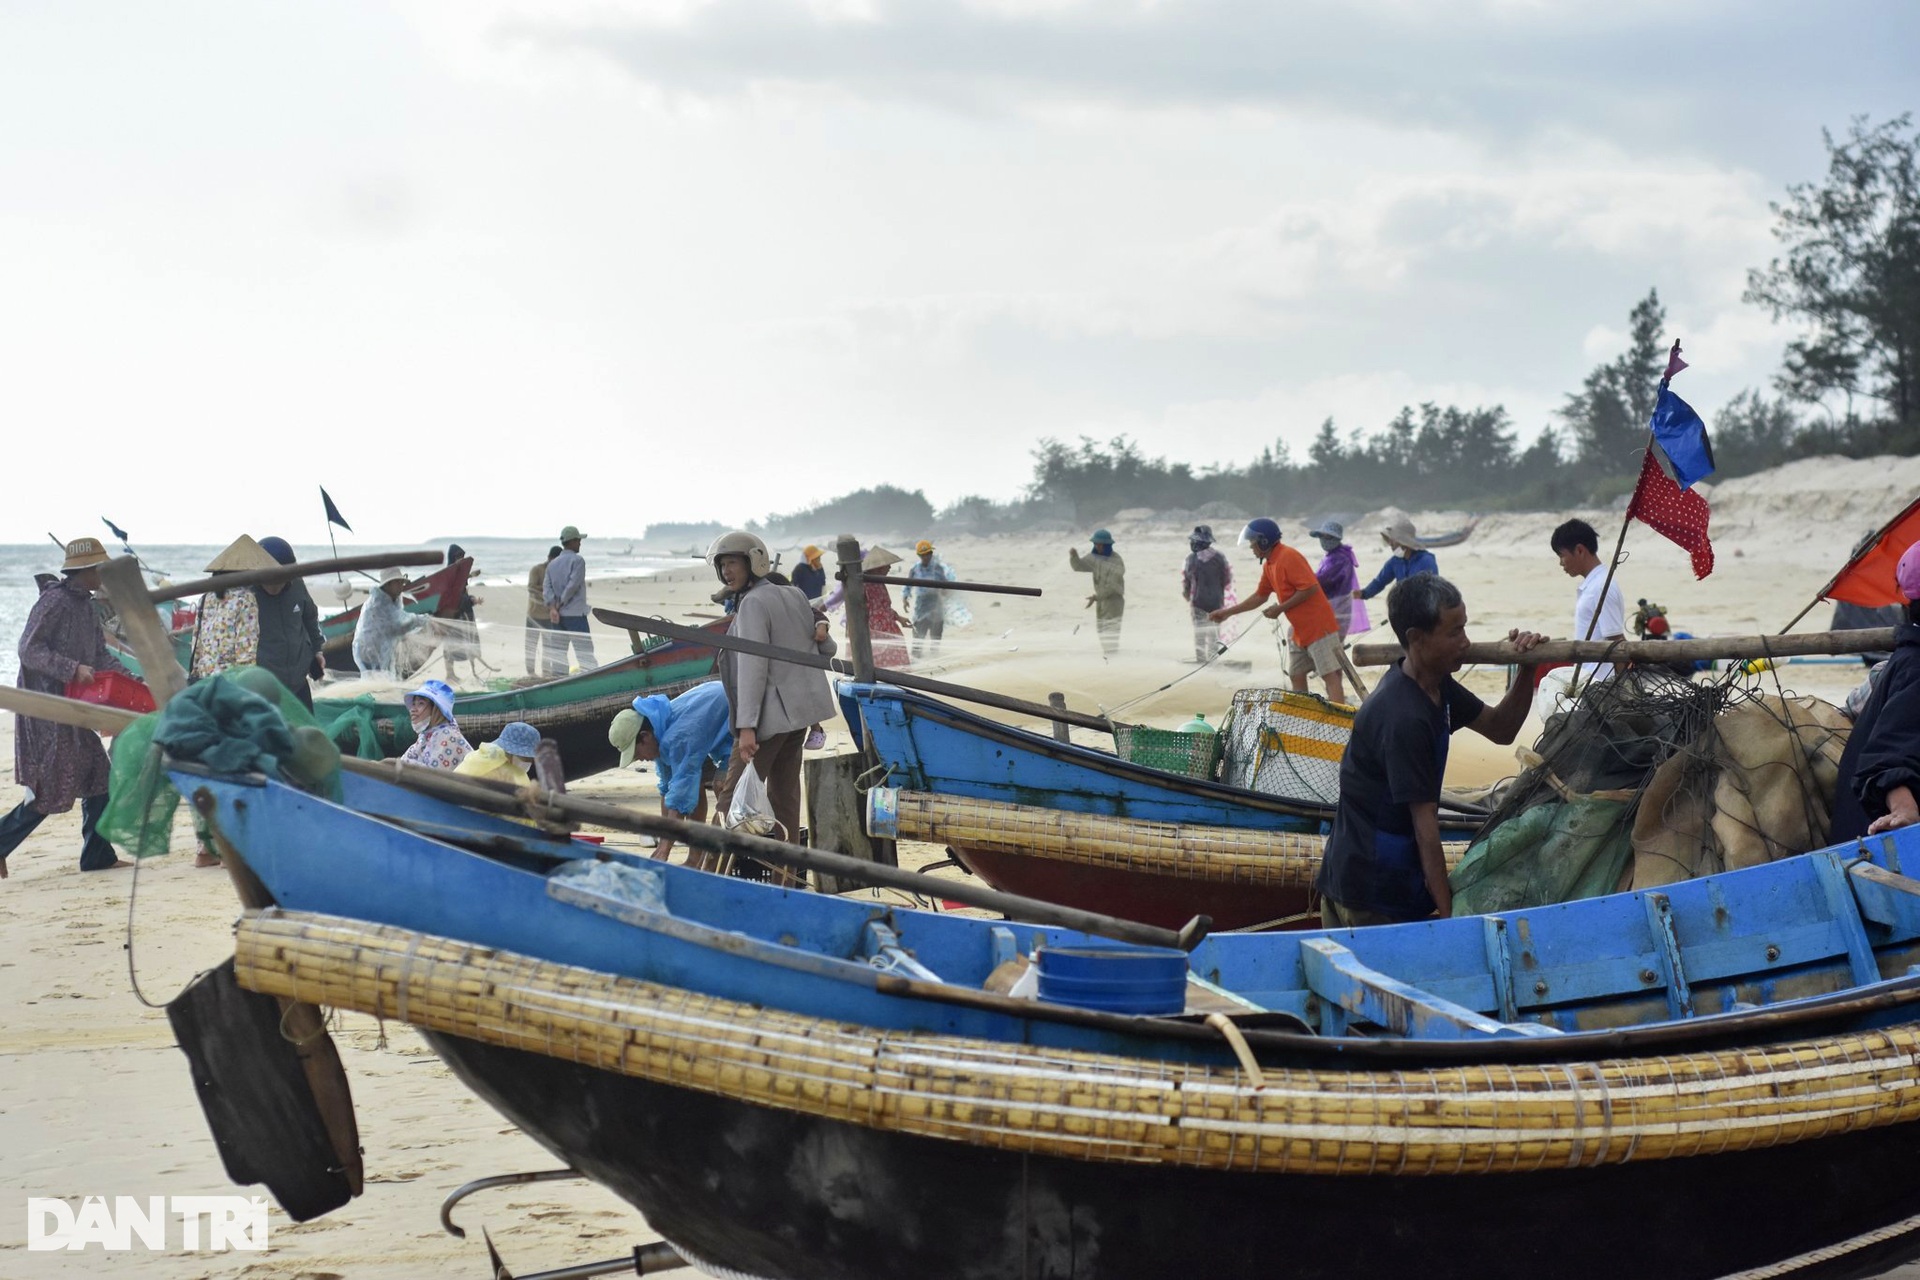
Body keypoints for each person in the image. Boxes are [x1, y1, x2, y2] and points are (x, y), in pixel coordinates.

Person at [1316, 575, 1545, 925]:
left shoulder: (1438, 686)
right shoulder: (1403, 717)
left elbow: (1502, 729)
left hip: (1391, 876)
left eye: (1465, 628)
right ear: (1416, 639)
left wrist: (1526, 670)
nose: (1466, 642)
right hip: (1368, 893)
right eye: (1454, 633)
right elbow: (1426, 831)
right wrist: (1452, 919)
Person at [0, 537, 131, 876]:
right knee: (50, 788)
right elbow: (28, 649)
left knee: (99, 776)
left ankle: (97, 856)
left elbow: (100, 655)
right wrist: (71, 668)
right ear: (83, 571)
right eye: (98, 568)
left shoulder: (87, 606)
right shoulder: (53, 602)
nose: (103, 573)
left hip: (75, 708)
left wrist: (131, 679)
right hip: (45, 709)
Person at [709, 531, 838, 874]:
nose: (726, 572)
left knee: (731, 799)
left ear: (754, 562)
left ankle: (705, 869)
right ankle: (788, 878)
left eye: (732, 563)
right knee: (785, 801)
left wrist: (746, 726)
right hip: (798, 717)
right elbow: (827, 648)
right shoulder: (794, 594)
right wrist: (821, 623)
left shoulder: (753, 603)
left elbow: (753, 666)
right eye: (722, 566)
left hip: (767, 720)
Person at [1832, 541, 1920, 841]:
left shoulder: (1896, 664)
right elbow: (1887, 755)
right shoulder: (1915, 668)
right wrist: (1903, 809)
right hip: (1880, 848)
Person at [1209, 518, 1346, 704]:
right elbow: (1260, 596)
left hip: (1319, 627)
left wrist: (1280, 608)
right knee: (1296, 674)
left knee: (1330, 676)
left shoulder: (1288, 557)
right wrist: (1228, 612)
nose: (1251, 547)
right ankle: (1304, 716)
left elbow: (1310, 588)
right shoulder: (1269, 564)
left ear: (1264, 541)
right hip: (1300, 631)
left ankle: (1338, 721)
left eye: (1253, 542)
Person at [609, 682, 733, 866]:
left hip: (736, 717)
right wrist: (662, 842)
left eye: (637, 753)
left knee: (722, 786)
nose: (639, 759)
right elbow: (668, 790)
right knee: (690, 788)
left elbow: (682, 792)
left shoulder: (678, 737)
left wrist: (665, 849)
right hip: (713, 724)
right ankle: (696, 858)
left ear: (645, 736)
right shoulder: (660, 731)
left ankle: (723, 858)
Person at [189, 536, 277, 681]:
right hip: (230, 680)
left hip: (205, 679)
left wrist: (196, 673)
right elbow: (246, 649)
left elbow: (196, 645)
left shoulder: (205, 598)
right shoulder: (245, 599)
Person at [1551, 518, 1626, 684]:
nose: (1561, 563)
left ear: (1579, 550)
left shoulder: (1601, 587)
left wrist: (1625, 689)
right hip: (1589, 681)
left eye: (1562, 555)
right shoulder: (1593, 585)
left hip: (1602, 685)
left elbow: (1617, 643)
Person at [255, 536, 326, 710]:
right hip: (264, 685)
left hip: (298, 681)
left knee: (307, 732)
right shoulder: (246, 596)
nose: (274, 587)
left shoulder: (297, 585)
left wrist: (317, 649)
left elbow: (310, 616)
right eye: (269, 581)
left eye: (280, 580)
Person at [821, 546, 911, 669]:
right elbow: (842, 594)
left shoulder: (879, 583)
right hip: (870, 629)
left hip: (886, 628)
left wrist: (899, 618)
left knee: (892, 662)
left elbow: (884, 607)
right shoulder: (861, 584)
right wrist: (826, 605)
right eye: (887, 565)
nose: (890, 568)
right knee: (870, 661)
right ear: (878, 568)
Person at [352, 567, 428, 678]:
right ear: (387, 584)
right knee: (375, 682)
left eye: (401, 582)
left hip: (380, 649)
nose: (401, 585)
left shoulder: (393, 599)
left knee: (382, 679)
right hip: (369, 651)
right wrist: (420, 620)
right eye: (397, 582)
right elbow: (397, 623)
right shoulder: (378, 603)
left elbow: (398, 623)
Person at [543, 525, 596, 673]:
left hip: (557, 617)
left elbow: (547, 589)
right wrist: (559, 604)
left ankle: (559, 682)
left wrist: (553, 608)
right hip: (575, 614)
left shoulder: (552, 564)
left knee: (559, 655)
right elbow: (573, 585)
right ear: (572, 541)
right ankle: (591, 681)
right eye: (578, 540)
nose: (580, 543)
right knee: (585, 654)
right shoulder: (578, 561)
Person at [1356, 516, 1439, 602]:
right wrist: (1363, 594)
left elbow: (1432, 590)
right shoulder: (1395, 561)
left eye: (1393, 540)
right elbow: (1380, 582)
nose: (1391, 544)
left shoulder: (1426, 560)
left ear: (1404, 542)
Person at [1069, 530, 1126, 657]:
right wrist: (1074, 556)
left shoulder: (1116, 561)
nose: (1098, 547)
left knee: (1111, 632)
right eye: (1096, 544)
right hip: (1101, 601)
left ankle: (1112, 658)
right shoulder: (1094, 558)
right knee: (1101, 631)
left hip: (1114, 602)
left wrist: (1096, 597)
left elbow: (1112, 586)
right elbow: (1079, 566)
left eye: (1101, 545)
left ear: (1107, 545)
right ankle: (1109, 657)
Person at [1309, 520, 1368, 641]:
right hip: (1332, 609)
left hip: (1337, 611)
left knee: (1332, 646)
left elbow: (1323, 580)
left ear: (1336, 539)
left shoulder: (1340, 558)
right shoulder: (1330, 556)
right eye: (1322, 536)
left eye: (1328, 537)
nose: (1324, 540)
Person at [1180, 525, 1232, 662]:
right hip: (1216, 601)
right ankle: (1213, 660)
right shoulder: (1220, 558)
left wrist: (1186, 594)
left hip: (1198, 602)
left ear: (1199, 543)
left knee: (1200, 634)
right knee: (1214, 634)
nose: (1191, 543)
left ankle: (1201, 661)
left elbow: (1186, 581)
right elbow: (1227, 579)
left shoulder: (1191, 559)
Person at [399, 679, 471, 769]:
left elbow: (433, 776)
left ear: (436, 709)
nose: (413, 709)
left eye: (421, 704)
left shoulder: (448, 736)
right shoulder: (424, 737)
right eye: (413, 704)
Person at [903, 540, 957, 660]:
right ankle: (916, 658)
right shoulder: (915, 569)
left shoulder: (937, 568)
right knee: (918, 634)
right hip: (921, 605)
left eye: (928, 554)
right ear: (919, 555)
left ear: (931, 554)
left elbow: (944, 584)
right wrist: (905, 598)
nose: (926, 557)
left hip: (935, 604)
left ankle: (934, 657)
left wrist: (946, 591)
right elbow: (907, 585)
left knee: (936, 634)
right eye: (923, 555)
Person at [455, 720, 540, 785]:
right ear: (512, 754)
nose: (529, 763)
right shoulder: (517, 777)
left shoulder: (475, 756)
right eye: (527, 758)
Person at [526, 545, 561, 676]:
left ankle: (546, 672)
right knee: (531, 645)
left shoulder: (557, 572)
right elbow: (531, 588)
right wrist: (548, 593)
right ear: (549, 558)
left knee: (548, 646)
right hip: (534, 614)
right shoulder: (537, 570)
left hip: (549, 615)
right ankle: (531, 672)